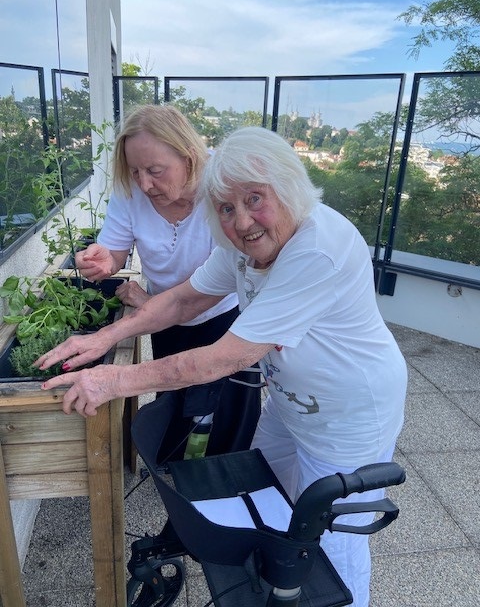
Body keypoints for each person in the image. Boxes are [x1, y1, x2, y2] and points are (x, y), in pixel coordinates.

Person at [37, 126, 407, 607]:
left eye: (256, 199)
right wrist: (102, 339)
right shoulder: (239, 244)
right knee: (262, 499)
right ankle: (276, 588)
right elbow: (184, 300)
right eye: (227, 208)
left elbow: (226, 356)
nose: (243, 220)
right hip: (291, 402)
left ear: (290, 188)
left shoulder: (316, 249)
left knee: (335, 542)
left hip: (349, 414)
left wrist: (113, 380)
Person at [74, 104, 261, 459]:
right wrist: (103, 259)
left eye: (155, 171)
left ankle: (225, 474)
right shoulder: (132, 191)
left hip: (224, 314)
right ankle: (177, 467)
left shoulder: (223, 188)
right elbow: (115, 251)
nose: (144, 183)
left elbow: (212, 285)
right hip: (163, 315)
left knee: (227, 408)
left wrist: (144, 305)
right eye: (135, 171)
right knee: (172, 396)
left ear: (190, 157)